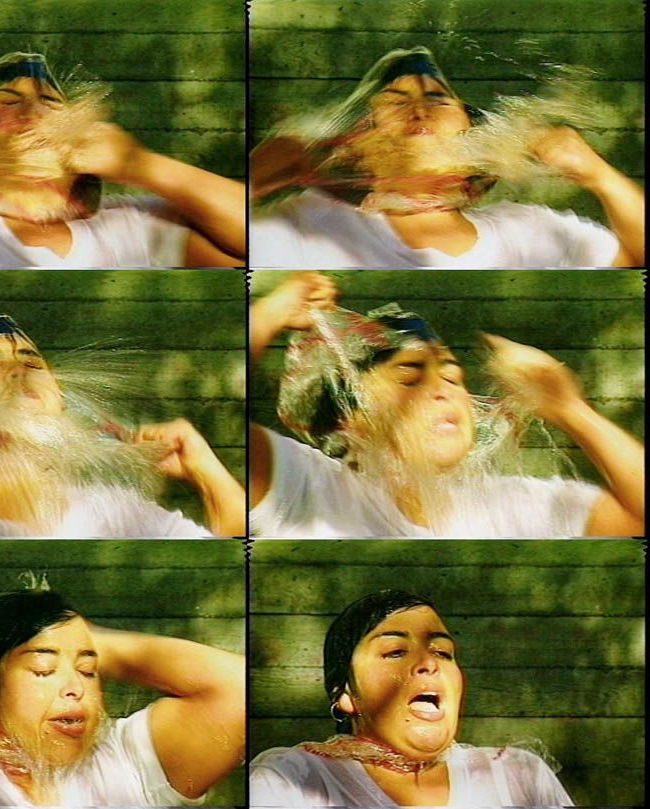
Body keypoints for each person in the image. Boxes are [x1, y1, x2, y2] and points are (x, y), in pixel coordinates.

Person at [250, 272, 644, 537]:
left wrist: (571, 409)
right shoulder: (305, 489)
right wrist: (269, 312)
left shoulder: (519, 504)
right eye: (409, 374)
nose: (443, 389)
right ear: (351, 417)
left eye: (453, 376)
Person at [0, 315, 246, 537]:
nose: (18, 370)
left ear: (59, 401)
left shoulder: (114, 512)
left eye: (33, 362)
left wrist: (206, 470)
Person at [249, 47, 644, 268]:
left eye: (437, 99)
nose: (419, 110)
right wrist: (256, 178)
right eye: (395, 101)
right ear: (358, 142)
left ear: (473, 134)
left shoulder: (527, 230)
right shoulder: (312, 221)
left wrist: (600, 176)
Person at [0, 588, 244, 806]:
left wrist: (80, 637)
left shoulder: (122, 766)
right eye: (43, 670)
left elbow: (238, 690)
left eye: (89, 672)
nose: (75, 687)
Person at [0, 52, 245, 268]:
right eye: (7, 102)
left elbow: (254, 243)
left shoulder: (129, 226)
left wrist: (140, 165)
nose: (32, 114)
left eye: (52, 103)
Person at [249, 589, 572, 807]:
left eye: (443, 653)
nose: (428, 663)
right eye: (395, 652)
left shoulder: (518, 773)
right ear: (345, 694)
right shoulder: (291, 776)